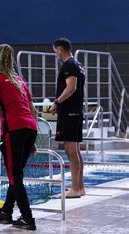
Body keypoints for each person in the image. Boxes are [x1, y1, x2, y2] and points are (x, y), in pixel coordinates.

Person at [0, 44, 39, 231]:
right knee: (16, 175)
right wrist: (32, 141)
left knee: (14, 176)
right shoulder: (19, 81)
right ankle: (6, 212)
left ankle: (28, 218)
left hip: (14, 130)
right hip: (30, 129)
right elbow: (33, 110)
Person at [50, 38, 86, 198]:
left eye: (55, 50)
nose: (54, 53)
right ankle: (80, 187)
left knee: (70, 150)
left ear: (60, 49)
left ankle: (75, 189)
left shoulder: (69, 65)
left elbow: (71, 88)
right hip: (75, 111)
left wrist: (57, 102)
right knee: (75, 150)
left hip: (70, 112)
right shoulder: (77, 64)